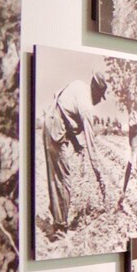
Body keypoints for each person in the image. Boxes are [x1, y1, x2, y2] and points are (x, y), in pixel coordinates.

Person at [42, 75, 112, 237]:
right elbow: (92, 147)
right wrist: (99, 177)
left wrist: (75, 143)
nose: (100, 100)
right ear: (94, 90)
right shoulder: (87, 108)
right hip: (56, 129)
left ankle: (57, 217)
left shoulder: (80, 85)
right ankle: (60, 228)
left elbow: (64, 111)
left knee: (56, 177)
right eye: (100, 96)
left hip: (52, 121)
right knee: (63, 179)